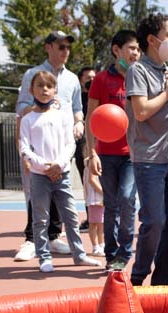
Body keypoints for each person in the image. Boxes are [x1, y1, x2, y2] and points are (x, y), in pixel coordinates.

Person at [125, 13, 168, 285]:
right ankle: (138, 277)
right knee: (155, 222)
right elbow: (140, 112)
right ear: (153, 40)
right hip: (148, 160)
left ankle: (163, 281)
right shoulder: (137, 70)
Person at [19, 71, 101, 272]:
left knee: (71, 216)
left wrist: (58, 164)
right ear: (31, 90)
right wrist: (44, 166)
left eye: (49, 86)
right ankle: (44, 258)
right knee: (41, 218)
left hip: (61, 174)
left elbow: (70, 144)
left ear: (55, 90)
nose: (44, 90)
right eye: (39, 86)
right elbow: (24, 148)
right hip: (40, 176)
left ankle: (79, 255)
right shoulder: (28, 119)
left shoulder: (63, 116)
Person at [14, 30, 85, 261]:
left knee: (59, 193)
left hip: (62, 145)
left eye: (68, 47)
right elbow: (21, 107)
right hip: (37, 144)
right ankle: (32, 240)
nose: (65, 51)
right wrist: (41, 108)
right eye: (60, 46)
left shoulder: (73, 79)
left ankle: (54, 237)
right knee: (36, 193)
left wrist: (79, 123)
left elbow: (77, 109)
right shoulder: (32, 75)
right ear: (48, 47)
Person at [86, 29, 140, 271]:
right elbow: (90, 118)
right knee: (111, 205)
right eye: (132, 48)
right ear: (116, 50)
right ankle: (111, 254)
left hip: (132, 154)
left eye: (139, 49)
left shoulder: (140, 78)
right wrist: (92, 153)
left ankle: (125, 251)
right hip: (106, 154)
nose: (136, 53)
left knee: (128, 198)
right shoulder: (100, 79)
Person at [76, 66, 96, 232]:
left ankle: (102, 219)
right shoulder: (78, 98)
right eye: (88, 77)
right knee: (88, 181)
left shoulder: (98, 96)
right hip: (82, 143)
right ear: (81, 79)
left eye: (94, 77)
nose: (92, 80)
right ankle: (92, 218)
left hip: (100, 142)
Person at [83, 156, 104, 257]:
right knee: (94, 224)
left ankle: (101, 245)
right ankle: (95, 247)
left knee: (101, 224)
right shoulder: (91, 160)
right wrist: (104, 193)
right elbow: (92, 180)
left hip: (99, 198)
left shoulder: (99, 159)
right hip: (95, 198)